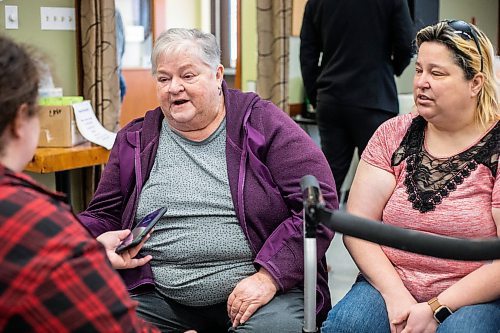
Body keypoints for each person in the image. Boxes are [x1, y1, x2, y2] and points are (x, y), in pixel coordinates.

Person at [78, 28, 338, 333]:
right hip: (158, 295)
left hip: (259, 292)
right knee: (89, 320)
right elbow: (101, 215)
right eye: (163, 79)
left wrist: (269, 276)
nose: (174, 88)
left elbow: (319, 205)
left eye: (188, 76)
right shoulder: (136, 139)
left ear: (217, 75)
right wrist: (92, 245)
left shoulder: (263, 124)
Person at [321, 20, 500, 333]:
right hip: (391, 281)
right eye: (419, 70)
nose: (422, 82)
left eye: (437, 73)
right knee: (347, 326)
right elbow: (358, 227)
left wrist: (435, 309)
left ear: (476, 83)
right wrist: (396, 296)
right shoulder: (393, 134)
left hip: (473, 292)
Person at [0, 35, 161, 332]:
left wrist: (90, 251)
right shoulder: (31, 221)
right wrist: (76, 254)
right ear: (20, 120)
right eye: (163, 78)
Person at [299, 0, 414, 197]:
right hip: (375, 99)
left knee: (329, 179)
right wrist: (390, 69)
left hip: (331, 98)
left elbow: (307, 54)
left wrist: (317, 94)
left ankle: (316, 227)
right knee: (377, 180)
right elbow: (406, 44)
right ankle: (363, 229)